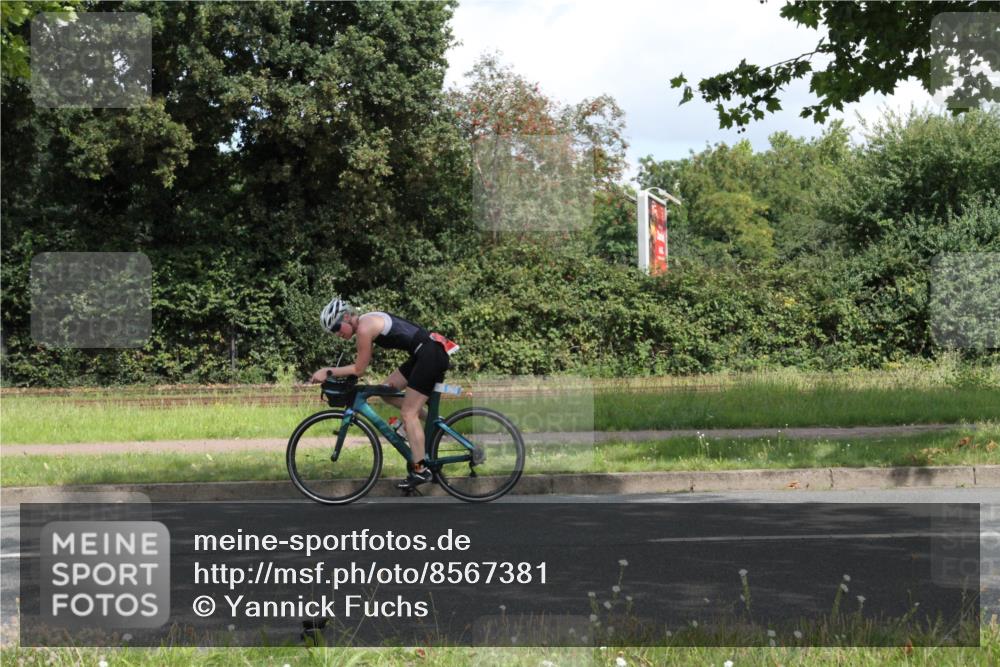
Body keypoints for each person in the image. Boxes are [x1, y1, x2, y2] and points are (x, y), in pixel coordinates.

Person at [310, 297, 456, 489]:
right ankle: (433, 422)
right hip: (425, 352)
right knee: (387, 390)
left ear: (346, 317)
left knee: (408, 413)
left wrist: (327, 371)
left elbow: (359, 369)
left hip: (429, 354)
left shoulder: (363, 328)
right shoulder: (366, 321)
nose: (337, 334)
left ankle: (421, 470)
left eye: (337, 328)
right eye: (333, 332)